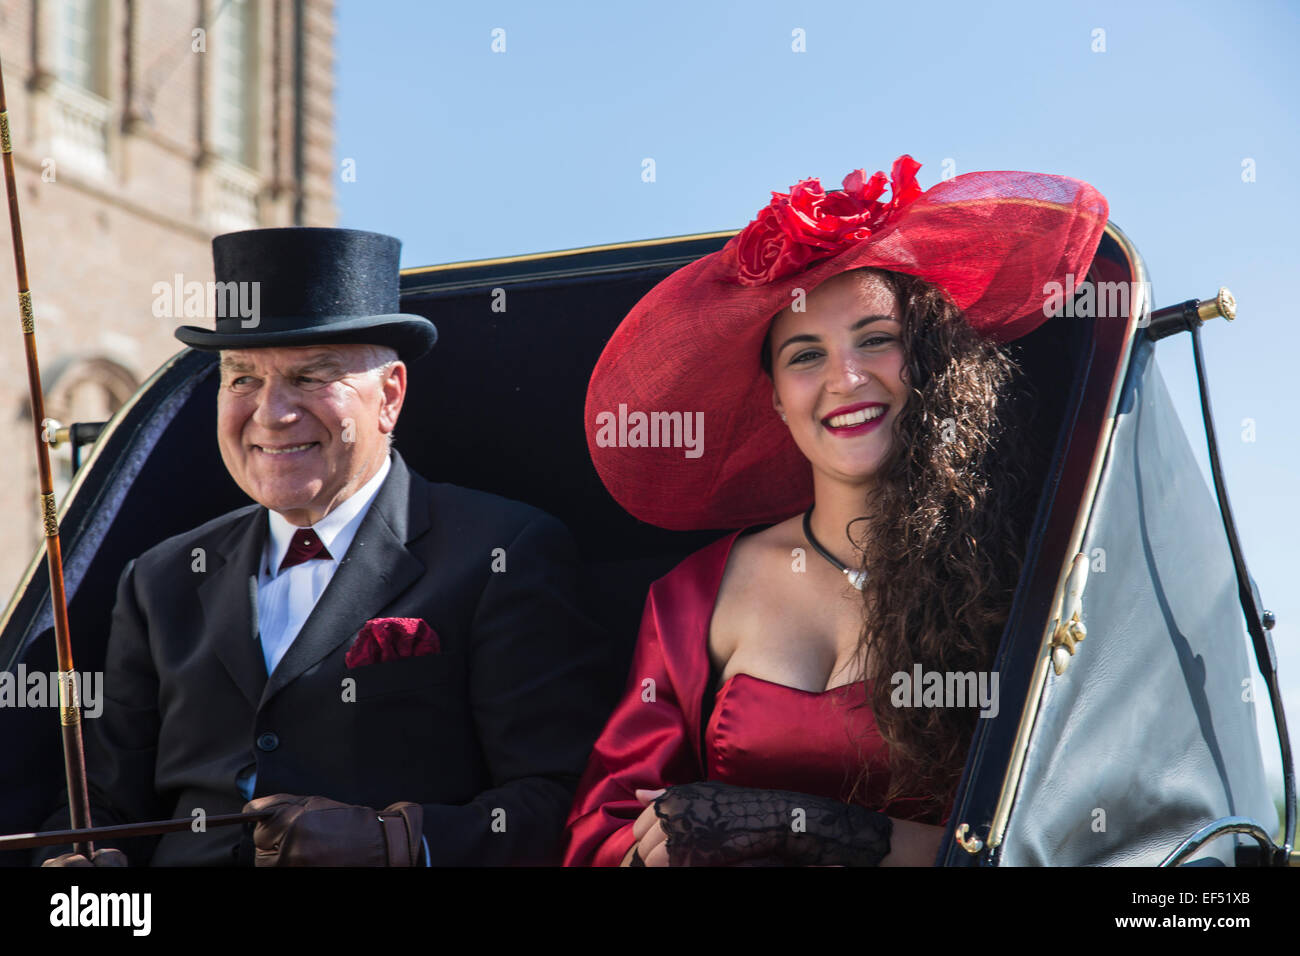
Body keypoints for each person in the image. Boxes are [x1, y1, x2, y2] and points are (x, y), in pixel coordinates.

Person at [564, 156, 1109, 866]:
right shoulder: (693, 594)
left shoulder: (1030, 568)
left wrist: (821, 832)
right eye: (804, 355)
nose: (845, 380)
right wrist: (656, 849)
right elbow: (601, 831)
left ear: (931, 361)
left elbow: (1064, 843)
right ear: (774, 398)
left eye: (876, 340)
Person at [38, 227, 611, 866]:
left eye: (310, 375)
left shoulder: (502, 552)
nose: (271, 412)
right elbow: (105, 805)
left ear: (388, 396)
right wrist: (78, 872)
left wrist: (395, 843)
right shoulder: (160, 577)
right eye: (242, 379)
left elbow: (562, 799)